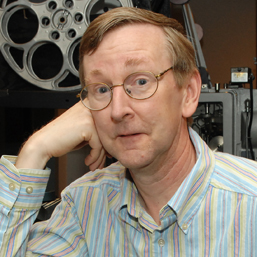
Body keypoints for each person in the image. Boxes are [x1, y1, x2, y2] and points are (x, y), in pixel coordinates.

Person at [0, 6, 257, 257]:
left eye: (141, 81)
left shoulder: (250, 202)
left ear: (188, 92)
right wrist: (36, 149)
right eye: (102, 89)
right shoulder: (82, 207)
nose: (118, 110)